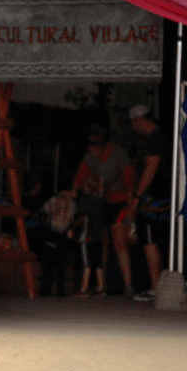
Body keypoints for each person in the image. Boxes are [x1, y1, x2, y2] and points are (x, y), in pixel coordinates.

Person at [61, 123, 135, 297]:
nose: (90, 153)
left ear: (103, 146)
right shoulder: (90, 155)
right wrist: (74, 191)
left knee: (119, 244)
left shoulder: (119, 155)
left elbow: (129, 182)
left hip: (119, 202)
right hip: (98, 204)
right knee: (98, 244)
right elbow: (80, 175)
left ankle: (128, 285)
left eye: (93, 149)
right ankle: (101, 287)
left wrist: (131, 208)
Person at [123, 103, 168, 301]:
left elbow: (151, 167)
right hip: (153, 196)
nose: (133, 127)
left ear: (140, 119)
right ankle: (156, 285)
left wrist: (137, 196)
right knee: (149, 240)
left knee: (150, 240)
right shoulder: (150, 139)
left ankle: (156, 287)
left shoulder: (156, 138)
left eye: (133, 122)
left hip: (154, 197)